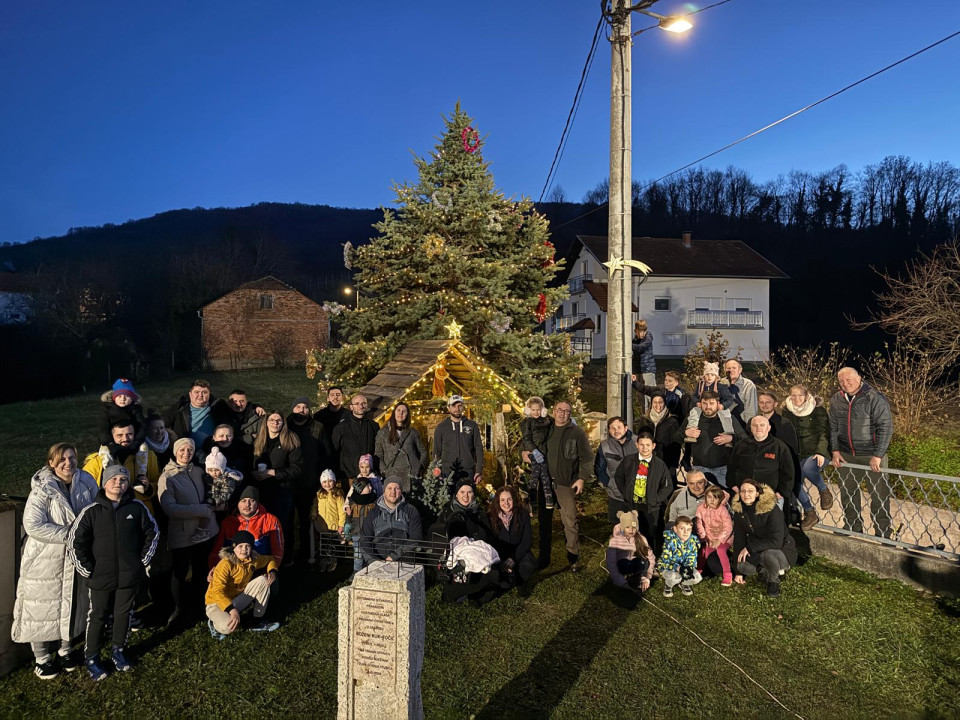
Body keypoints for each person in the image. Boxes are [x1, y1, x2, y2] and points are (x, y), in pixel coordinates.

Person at [12, 443, 99, 680]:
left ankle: (65, 650)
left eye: (71, 458)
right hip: (45, 558)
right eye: (62, 459)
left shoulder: (86, 482)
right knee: (41, 606)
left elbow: (96, 511)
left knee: (71, 603)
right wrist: (72, 535)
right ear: (51, 463)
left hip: (76, 556)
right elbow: (33, 525)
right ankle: (42, 658)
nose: (68, 463)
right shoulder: (42, 489)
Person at [69, 465, 158, 681]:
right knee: (97, 616)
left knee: (123, 614)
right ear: (105, 483)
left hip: (129, 575)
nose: (119, 482)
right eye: (114, 479)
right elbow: (75, 542)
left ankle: (118, 650)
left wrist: (141, 562)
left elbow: (152, 533)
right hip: (100, 576)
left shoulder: (136, 508)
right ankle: (92, 657)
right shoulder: (92, 511)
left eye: (123, 479)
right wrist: (88, 570)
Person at [158, 438, 218, 629]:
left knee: (201, 569)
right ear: (175, 452)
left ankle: (200, 604)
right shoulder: (167, 477)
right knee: (180, 572)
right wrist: (199, 510)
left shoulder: (198, 470)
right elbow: (169, 507)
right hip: (183, 534)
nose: (186, 453)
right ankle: (179, 608)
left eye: (190, 449)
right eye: (182, 449)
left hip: (204, 530)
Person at [828, 367, 894, 538]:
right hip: (846, 454)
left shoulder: (874, 397)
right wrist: (835, 450)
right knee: (847, 493)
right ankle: (852, 525)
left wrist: (878, 455)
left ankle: (883, 532)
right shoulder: (836, 399)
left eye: (849, 379)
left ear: (859, 378)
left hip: (871, 455)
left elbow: (885, 427)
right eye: (841, 381)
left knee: (879, 495)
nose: (845, 383)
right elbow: (833, 427)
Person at [540, 401, 592, 572]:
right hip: (545, 482)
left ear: (570, 414)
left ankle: (573, 556)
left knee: (570, 521)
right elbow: (529, 444)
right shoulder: (545, 430)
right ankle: (544, 556)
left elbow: (587, 458)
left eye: (566, 411)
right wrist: (524, 453)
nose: (562, 414)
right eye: (559, 410)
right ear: (553, 411)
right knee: (544, 521)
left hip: (565, 484)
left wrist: (581, 478)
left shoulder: (576, 433)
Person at [435, 479, 501, 606]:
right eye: (462, 492)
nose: (466, 496)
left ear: (473, 494)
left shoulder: (480, 513)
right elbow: (441, 540)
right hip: (456, 558)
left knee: (494, 574)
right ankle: (454, 593)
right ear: (456, 494)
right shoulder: (447, 513)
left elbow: (488, 538)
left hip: (478, 554)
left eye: (469, 492)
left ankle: (474, 593)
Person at [205, 530, 279, 639]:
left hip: (235, 598)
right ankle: (213, 623)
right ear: (234, 547)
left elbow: (270, 559)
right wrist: (232, 610)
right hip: (216, 603)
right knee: (228, 628)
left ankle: (257, 620)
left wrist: (272, 571)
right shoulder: (226, 564)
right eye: (240, 546)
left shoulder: (253, 559)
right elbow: (217, 592)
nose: (244, 550)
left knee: (263, 580)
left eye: (247, 546)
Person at [731, 479, 797, 597]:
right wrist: (738, 572)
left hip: (781, 549)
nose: (746, 495)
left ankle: (773, 581)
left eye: (750, 491)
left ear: (757, 493)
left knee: (769, 555)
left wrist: (750, 548)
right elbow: (739, 539)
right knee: (743, 566)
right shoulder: (739, 511)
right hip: (758, 549)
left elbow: (776, 542)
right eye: (743, 491)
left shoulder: (772, 510)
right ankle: (766, 569)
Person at [252, 411, 303, 565]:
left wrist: (273, 473)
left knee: (282, 525)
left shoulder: (290, 440)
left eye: (279, 420)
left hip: (282, 491)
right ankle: (265, 559)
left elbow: (297, 468)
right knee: (263, 525)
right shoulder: (259, 441)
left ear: (283, 423)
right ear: (266, 422)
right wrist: (254, 474)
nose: (275, 423)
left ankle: (285, 559)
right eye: (272, 420)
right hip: (262, 491)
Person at [782, 384, 835, 530]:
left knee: (809, 468)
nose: (796, 398)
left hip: (817, 451)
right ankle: (810, 513)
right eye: (793, 395)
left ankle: (824, 491)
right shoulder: (787, 410)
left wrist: (821, 452)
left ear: (806, 396)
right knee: (794, 482)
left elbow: (824, 432)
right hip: (798, 453)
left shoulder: (818, 410)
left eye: (800, 395)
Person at [614, 431, 674, 554]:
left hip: (651, 506)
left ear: (653, 446)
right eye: (642, 445)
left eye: (648, 445)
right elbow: (618, 477)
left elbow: (668, 486)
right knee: (632, 532)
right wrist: (626, 493)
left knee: (651, 533)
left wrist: (656, 499)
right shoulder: (629, 460)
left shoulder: (659, 464)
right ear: (637, 445)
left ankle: (650, 558)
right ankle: (634, 556)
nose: (644, 448)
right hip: (633, 504)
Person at [83, 420, 161, 511]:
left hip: (141, 511)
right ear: (111, 437)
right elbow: (84, 490)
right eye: (119, 435)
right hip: (107, 512)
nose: (125, 438)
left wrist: (149, 488)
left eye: (129, 434)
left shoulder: (149, 456)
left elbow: (160, 484)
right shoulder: (96, 461)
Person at [288, 396, 329, 563]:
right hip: (289, 482)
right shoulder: (285, 425)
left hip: (309, 481)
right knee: (289, 519)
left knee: (307, 519)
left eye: (305, 407)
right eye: (298, 407)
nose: (301, 410)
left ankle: (307, 553)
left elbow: (326, 454)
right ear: (292, 409)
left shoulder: (317, 427)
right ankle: (288, 553)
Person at [727, 415, 796, 513]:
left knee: (772, 527)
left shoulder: (780, 447)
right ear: (751, 428)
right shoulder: (741, 445)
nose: (758, 428)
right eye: (755, 425)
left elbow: (788, 472)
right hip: (744, 496)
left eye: (762, 425)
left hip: (770, 498)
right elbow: (732, 466)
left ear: (768, 428)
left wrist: (780, 493)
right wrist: (733, 485)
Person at [208, 486, 284, 570]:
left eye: (252, 500)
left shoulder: (271, 520)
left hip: (259, 567)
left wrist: (272, 569)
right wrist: (214, 568)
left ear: (257, 503)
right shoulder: (227, 522)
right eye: (243, 501)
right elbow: (217, 549)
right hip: (233, 569)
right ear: (238, 503)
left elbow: (277, 550)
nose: (247, 505)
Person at [683, 391, 742, 488]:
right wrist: (686, 433)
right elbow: (676, 436)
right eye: (704, 403)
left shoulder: (728, 418)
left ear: (718, 404)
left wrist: (731, 438)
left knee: (723, 499)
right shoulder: (694, 418)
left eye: (711, 403)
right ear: (700, 404)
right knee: (699, 500)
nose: (708, 407)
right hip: (699, 470)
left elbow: (744, 438)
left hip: (722, 470)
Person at [359, 479, 423, 567]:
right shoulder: (373, 513)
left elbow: (415, 538)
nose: (393, 492)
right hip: (377, 562)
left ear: (401, 491)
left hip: (404, 561)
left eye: (397, 488)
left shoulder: (411, 511)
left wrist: (393, 557)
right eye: (389, 488)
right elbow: (364, 540)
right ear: (383, 491)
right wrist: (375, 563)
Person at [488, 485, 537, 587]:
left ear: (514, 499)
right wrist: (502, 560)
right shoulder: (491, 517)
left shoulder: (523, 514)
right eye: (502, 500)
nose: (506, 503)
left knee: (529, 564)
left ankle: (516, 579)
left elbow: (527, 540)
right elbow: (491, 542)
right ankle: (507, 578)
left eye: (509, 499)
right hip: (500, 555)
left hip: (519, 552)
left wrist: (513, 558)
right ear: (498, 501)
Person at [433, 395, 484, 488]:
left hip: (468, 472)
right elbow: (436, 452)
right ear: (448, 408)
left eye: (459, 405)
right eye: (454, 405)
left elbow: (479, 449)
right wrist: (437, 471)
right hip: (447, 473)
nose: (457, 408)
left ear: (463, 407)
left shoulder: (472, 425)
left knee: (468, 500)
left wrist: (479, 470)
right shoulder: (441, 428)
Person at [374, 402, 426, 494]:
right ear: (394, 412)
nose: (400, 413)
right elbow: (378, 455)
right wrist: (385, 471)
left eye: (404, 411)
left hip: (411, 475)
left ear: (407, 414)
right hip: (392, 476)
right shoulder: (382, 433)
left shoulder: (413, 432)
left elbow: (423, 451)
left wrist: (418, 467)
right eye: (398, 410)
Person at [594, 416, 637, 524]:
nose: (616, 430)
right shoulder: (605, 446)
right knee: (617, 529)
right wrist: (611, 484)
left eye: (619, 427)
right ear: (609, 430)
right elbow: (599, 470)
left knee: (638, 528)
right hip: (616, 496)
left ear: (626, 428)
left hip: (637, 495)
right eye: (612, 428)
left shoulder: (637, 442)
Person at [163, 379, 225, 449]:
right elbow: (160, 423)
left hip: (212, 452)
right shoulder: (179, 408)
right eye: (196, 392)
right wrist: (172, 435)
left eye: (204, 392)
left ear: (209, 394)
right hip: (185, 452)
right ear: (190, 394)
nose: (200, 395)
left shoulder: (218, 406)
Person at [605, 509, 656, 595]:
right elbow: (611, 563)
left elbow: (651, 557)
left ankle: (639, 578)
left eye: (634, 527)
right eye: (627, 527)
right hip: (623, 565)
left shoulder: (641, 539)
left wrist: (647, 577)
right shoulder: (615, 541)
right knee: (624, 563)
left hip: (637, 564)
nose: (631, 530)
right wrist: (621, 582)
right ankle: (627, 578)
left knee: (643, 562)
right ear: (622, 527)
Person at [332, 394, 378, 486]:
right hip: (350, 475)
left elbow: (377, 448)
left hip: (369, 473)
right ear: (351, 407)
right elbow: (334, 450)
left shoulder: (373, 425)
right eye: (357, 403)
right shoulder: (342, 427)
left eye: (363, 403)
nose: (361, 406)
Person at [695, 485, 734, 587]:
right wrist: (705, 538)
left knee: (721, 550)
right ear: (705, 497)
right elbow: (699, 524)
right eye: (709, 497)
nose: (712, 500)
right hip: (709, 537)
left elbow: (728, 526)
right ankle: (698, 571)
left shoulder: (722, 509)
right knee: (704, 551)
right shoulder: (700, 509)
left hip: (725, 538)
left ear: (720, 499)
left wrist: (720, 540)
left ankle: (727, 574)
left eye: (715, 498)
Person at [520, 396, 554, 509]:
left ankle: (548, 496)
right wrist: (533, 451)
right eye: (533, 410)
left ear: (542, 410)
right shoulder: (527, 423)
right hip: (533, 451)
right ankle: (533, 496)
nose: (536, 412)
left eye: (538, 409)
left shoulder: (547, 421)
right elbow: (526, 438)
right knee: (536, 471)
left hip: (543, 451)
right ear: (529, 410)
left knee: (544, 473)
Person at [637, 394, 683, 478]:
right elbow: (639, 440)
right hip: (646, 461)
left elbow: (676, 443)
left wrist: (673, 465)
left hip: (666, 461)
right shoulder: (644, 420)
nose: (658, 405)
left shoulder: (672, 421)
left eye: (660, 402)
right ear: (651, 403)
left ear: (664, 403)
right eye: (655, 402)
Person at [656, 516, 701, 597]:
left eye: (688, 529)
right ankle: (668, 585)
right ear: (675, 529)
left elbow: (692, 558)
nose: (685, 532)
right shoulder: (670, 541)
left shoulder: (693, 542)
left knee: (697, 577)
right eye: (682, 528)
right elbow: (666, 561)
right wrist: (678, 568)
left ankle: (684, 583)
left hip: (683, 568)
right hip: (668, 567)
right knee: (675, 576)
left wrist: (688, 568)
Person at [96, 378, 146, 449]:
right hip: (111, 442)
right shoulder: (107, 409)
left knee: (143, 449)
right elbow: (103, 427)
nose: (123, 399)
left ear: (132, 398)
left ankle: (141, 460)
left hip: (132, 440)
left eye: (127, 396)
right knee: (105, 454)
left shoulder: (136, 409)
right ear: (114, 398)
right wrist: (108, 442)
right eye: (119, 396)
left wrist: (138, 441)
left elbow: (142, 425)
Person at [310, 469, 345, 572]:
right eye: (324, 482)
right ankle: (324, 560)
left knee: (333, 544)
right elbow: (314, 506)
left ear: (334, 481)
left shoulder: (338, 495)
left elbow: (342, 511)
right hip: (322, 525)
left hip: (333, 525)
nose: (327, 484)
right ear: (321, 483)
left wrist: (341, 524)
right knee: (323, 543)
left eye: (330, 481)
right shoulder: (319, 495)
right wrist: (313, 515)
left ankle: (333, 560)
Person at [203, 447, 243, 521]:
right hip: (209, 504)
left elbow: (225, 494)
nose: (214, 473)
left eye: (216, 470)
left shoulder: (227, 479)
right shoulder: (208, 478)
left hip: (220, 506)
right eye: (211, 470)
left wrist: (216, 503)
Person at [722, 360, 757, 428]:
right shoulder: (720, 384)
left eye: (734, 368)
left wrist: (749, 427)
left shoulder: (748, 385)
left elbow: (751, 409)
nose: (731, 370)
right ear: (724, 370)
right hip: (724, 422)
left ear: (740, 370)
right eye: (728, 368)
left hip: (742, 423)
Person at [632, 320, 657, 411]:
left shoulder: (648, 337)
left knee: (649, 393)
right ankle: (644, 414)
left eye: (643, 331)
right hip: (638, 371)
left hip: (647, 369)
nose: (642, 333)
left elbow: (641, 348)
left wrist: (628, 345)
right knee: (640, 394)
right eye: (640, 331)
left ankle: (653, 414)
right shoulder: (635, 339)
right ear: (636, 331)